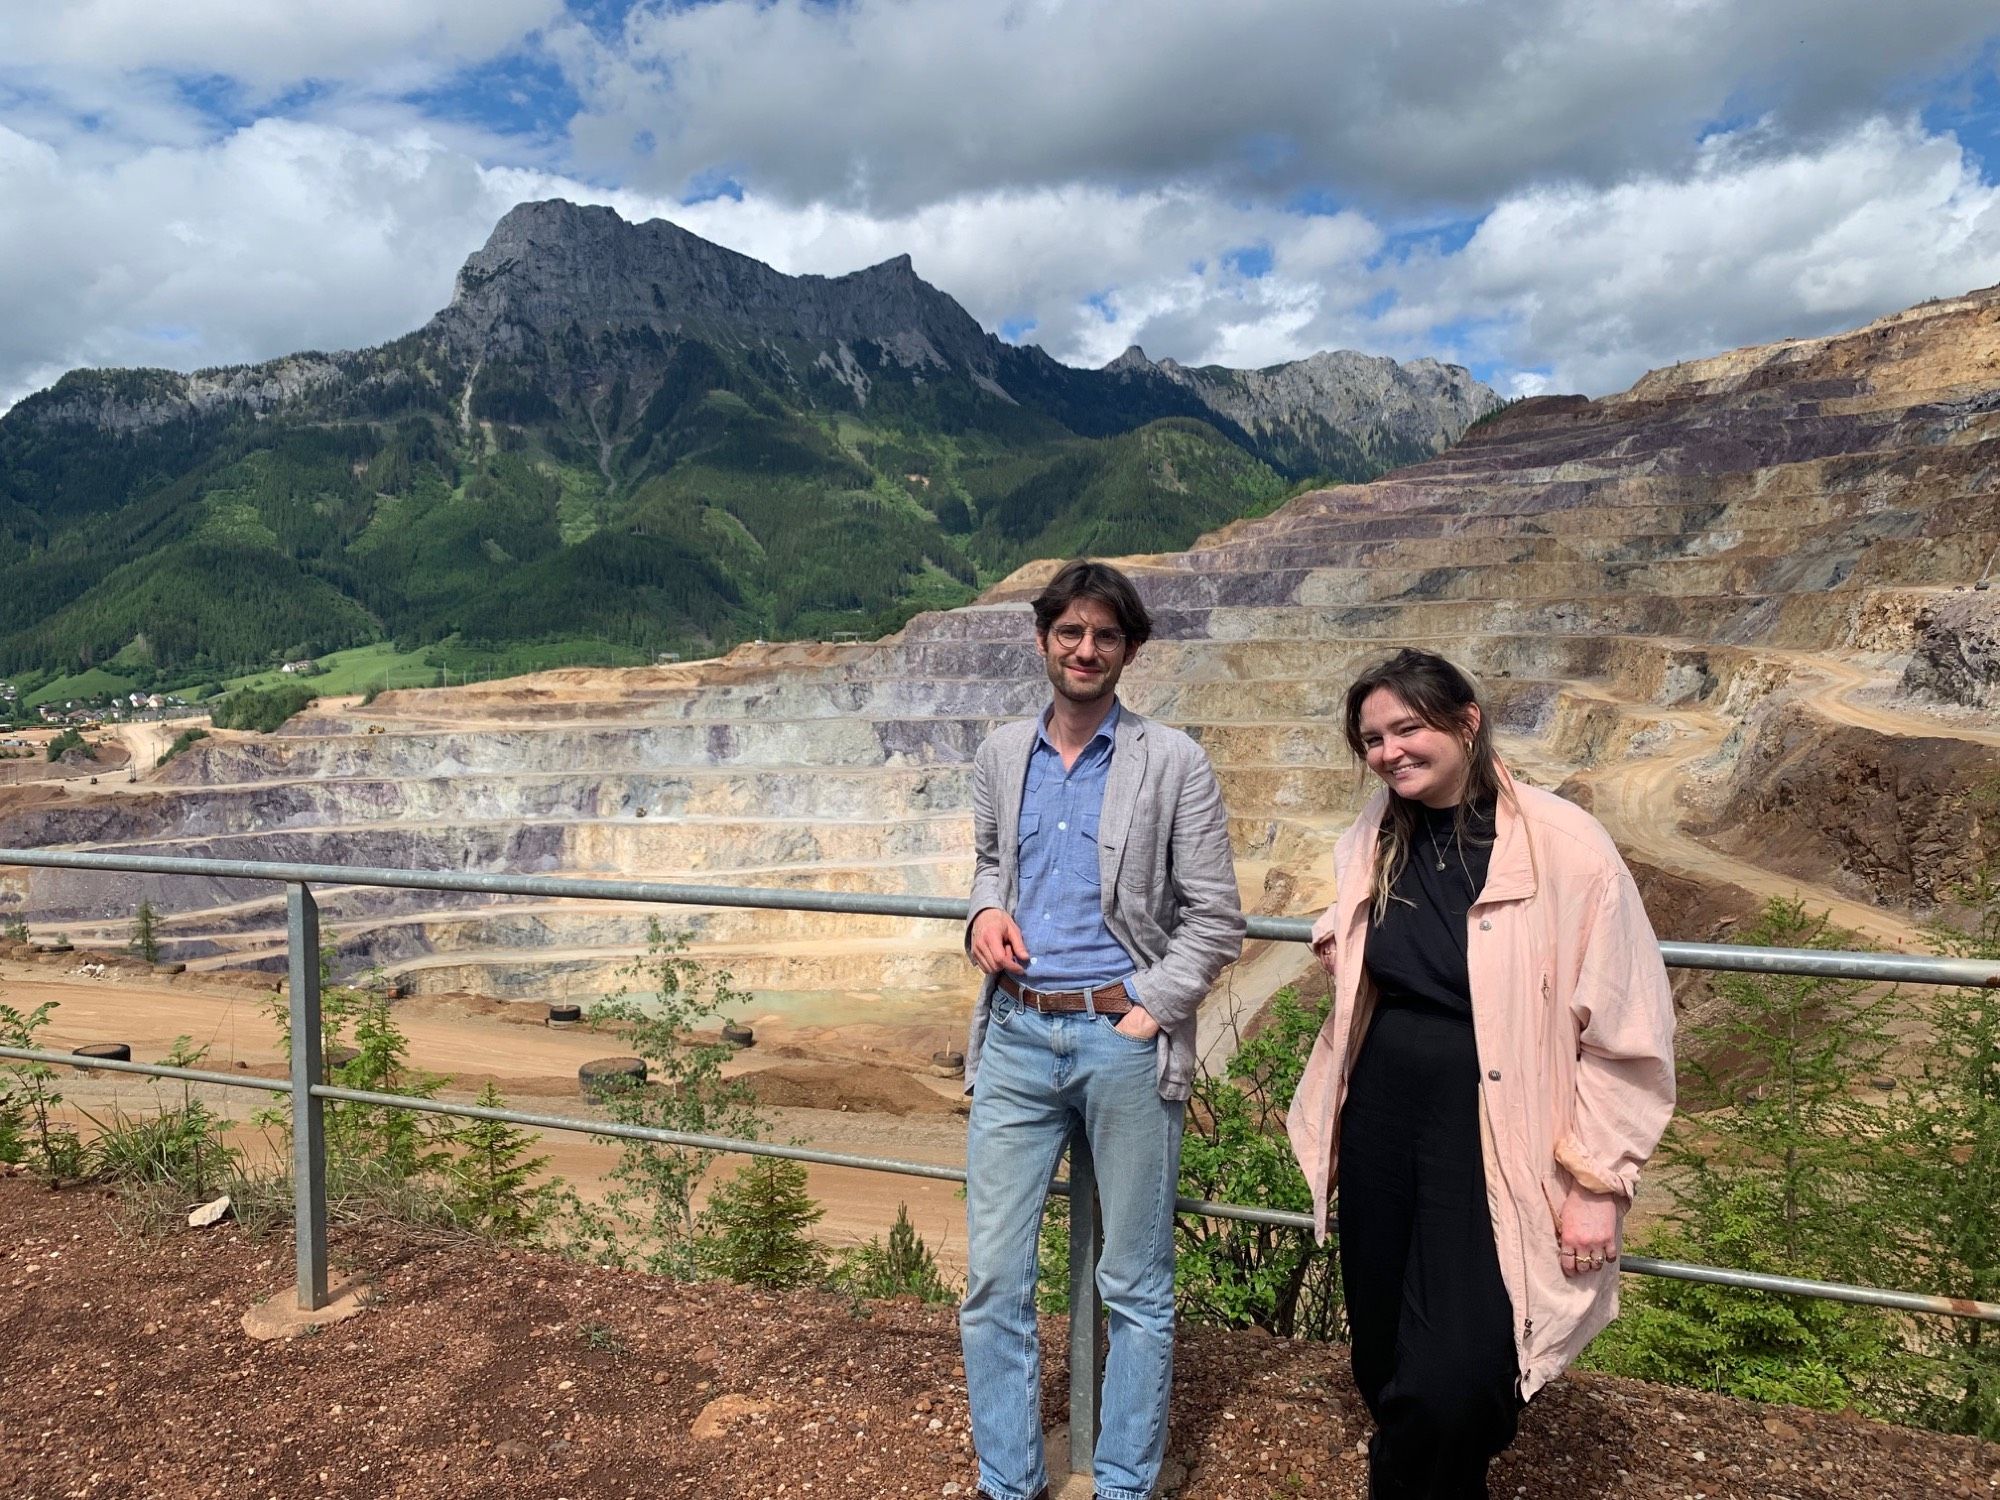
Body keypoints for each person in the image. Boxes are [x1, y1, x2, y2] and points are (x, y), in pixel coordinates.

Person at [1286, 648, 1676, 1499]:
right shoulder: (1378, 833)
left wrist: (1600, 1181)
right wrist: (1335, 939)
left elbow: (1628, 1030)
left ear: (1466, 719)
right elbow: (1357, 918)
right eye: (1373, 739)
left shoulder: (1566, 846)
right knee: (1382, 1347)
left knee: (1463, 1373)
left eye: (1408, 729)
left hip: (1501, 1121)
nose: (1390, 752)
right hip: (1385, 1108)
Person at [959, 558, 1245, 1500]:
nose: (1086, 649)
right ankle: (1010, 1482)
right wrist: (981, 919)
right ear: (1043, 639)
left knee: (1136, 1287)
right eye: (1070, 632)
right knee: (995, 1285)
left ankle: (1122, 1483)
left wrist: (1147, 1013)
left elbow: (1216, 919)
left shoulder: (1173, 762)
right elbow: (991, 864)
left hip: (1120, 1044)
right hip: (1013, 1037)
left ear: (1130, 650)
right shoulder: (1003, 752)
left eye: (1106, 635)